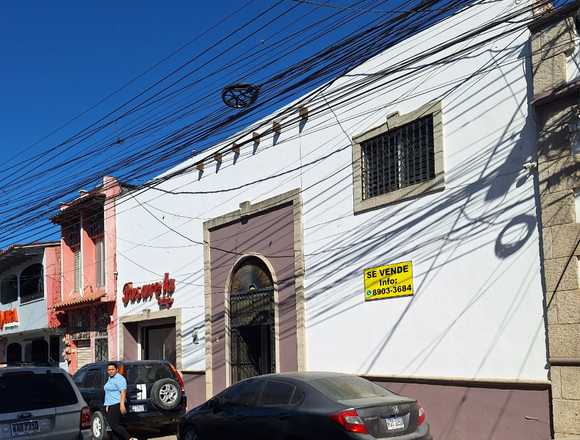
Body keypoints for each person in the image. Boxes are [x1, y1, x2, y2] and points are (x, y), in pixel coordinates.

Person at [104, 362, 136, 440]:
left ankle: (130, 438)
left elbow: (123, 392)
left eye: (112, 369)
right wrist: (107, 405)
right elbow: (109, 393)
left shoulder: (120, 379)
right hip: (111, 404)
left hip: (117, 404)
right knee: (113, 427)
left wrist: (122, 405)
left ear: (117, 370)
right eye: (109, 370)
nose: (110, 371)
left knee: (114, 425)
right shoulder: (110, 378)